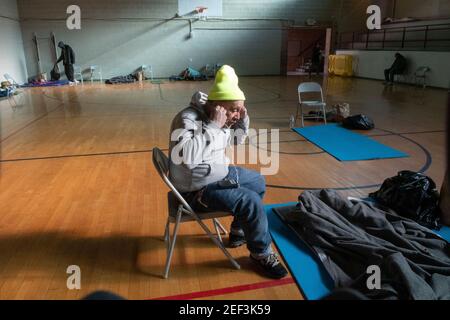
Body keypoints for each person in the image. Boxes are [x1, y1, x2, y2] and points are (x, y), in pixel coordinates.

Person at [168, 65, 288, 279]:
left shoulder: (220, 117)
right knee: (250, 201)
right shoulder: (188, 119)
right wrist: (214, 127)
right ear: (216, 106)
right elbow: (187, 158)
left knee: (257, 182)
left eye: (240, 109)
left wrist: (241, 121)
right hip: (196, 191)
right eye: (234, 109)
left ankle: (238, 231)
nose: (236, 114)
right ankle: (261, 253)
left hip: (217, 175)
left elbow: (234, 140)